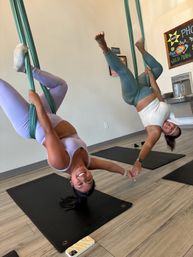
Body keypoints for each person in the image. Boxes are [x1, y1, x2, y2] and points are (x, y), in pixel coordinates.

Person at [0, 44, 132, 209]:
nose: (83, 177)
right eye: (88, 180)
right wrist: (126, 172)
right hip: (48, 114)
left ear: (71, 182)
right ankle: (25, 68)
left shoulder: (61, 163)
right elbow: (109, 166)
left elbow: (48, 131)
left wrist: (37, 104)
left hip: (31, 123)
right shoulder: (87, 161)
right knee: (61, 86)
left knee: (0, 86)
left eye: (79, 183)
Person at [95, 32, 193, 177]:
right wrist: (152, 77)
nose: (171, 127)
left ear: (165, 134)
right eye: (174, 127)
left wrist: (139, 161)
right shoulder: (167, 113)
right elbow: (158, 93)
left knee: (124, 72)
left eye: (170, 131)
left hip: (134, 94)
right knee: (158, 69)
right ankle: (140, 48)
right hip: (145, 85)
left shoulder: (155, 131)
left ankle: (103, 46)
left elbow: (147, 146)